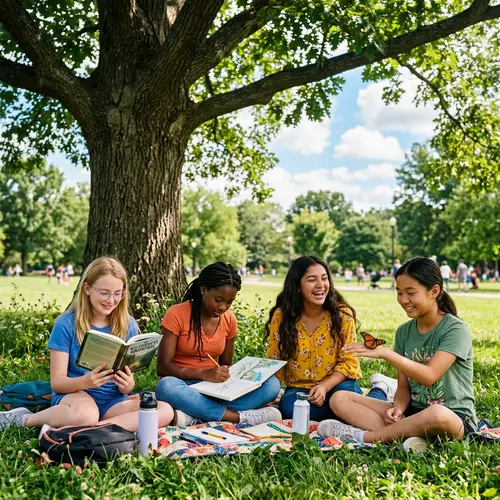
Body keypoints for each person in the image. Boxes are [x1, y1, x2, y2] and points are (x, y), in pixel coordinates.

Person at [317, 257, 476, 451]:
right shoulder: (404, 331)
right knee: (340, 398)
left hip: (454, 419)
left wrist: (385, 353)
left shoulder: (455, 329)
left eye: (410, 293)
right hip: (413, 412)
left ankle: (367, 436)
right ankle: (414, 438)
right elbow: (403, 387)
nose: (403, 300)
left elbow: (429, 376)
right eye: (399, 293)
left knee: (437, 414)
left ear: (434, 291)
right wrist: (399, 408)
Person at [0, 256, 174, 431]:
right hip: (75, 396)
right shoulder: (66, 323)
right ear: (87, 288)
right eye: (104, 292)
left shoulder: (127, 324)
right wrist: (86, 382)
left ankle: (91, 429)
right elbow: (57, 383)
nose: (111, 300)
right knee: (86, 415)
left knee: (165, 410)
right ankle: (25, 419)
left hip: (112, 402)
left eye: (117, 293)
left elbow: (126, 384)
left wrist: (128, 385)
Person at [265, 255, 391, 421]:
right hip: (301, 389)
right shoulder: (282, 316)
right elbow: (275, 360)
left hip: (339, 384)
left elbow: (349, 362)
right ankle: (353, 410)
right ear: (297, 286)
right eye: (311, 279)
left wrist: (324, 387)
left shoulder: (342, 315)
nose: (320, 285)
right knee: (290, 408)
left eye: (324, 278)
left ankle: (380, 390)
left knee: (341, 402)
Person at [155, 262, 281, 426]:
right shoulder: (177, 313)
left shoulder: (229, 319)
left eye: (229, 302)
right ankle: (237, 417)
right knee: (165, 387)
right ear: (203, 289)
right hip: (184, 385)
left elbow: (226, 364)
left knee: (272, 385)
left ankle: (195, 414)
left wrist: (235, 377)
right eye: (218, 299)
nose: (223, 307)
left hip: (215, 389)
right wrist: (203, 374)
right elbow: (163, 368)